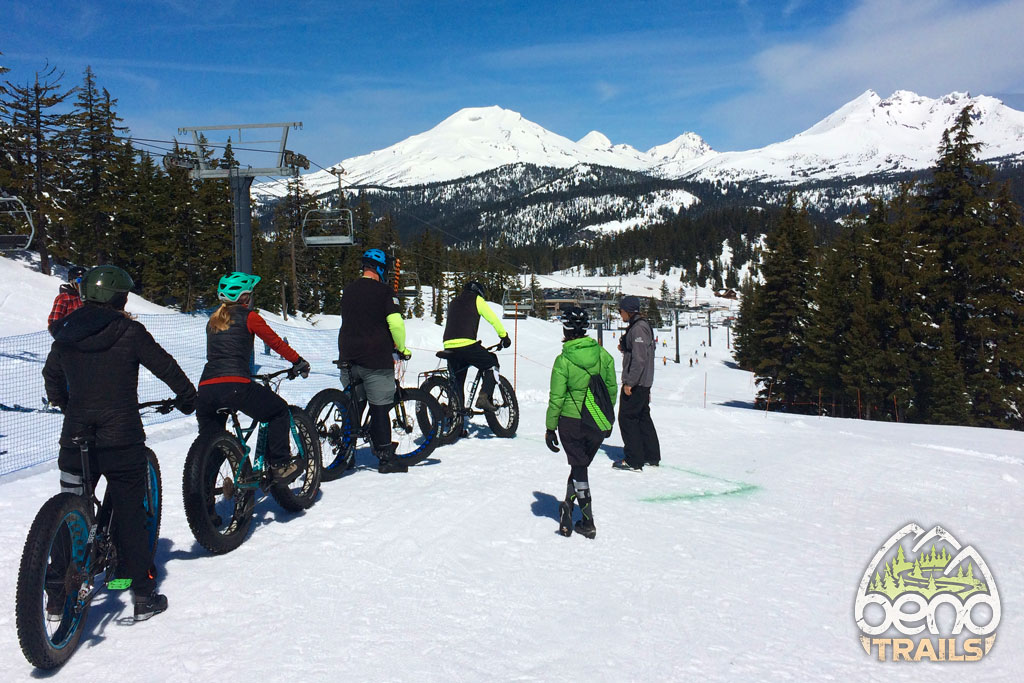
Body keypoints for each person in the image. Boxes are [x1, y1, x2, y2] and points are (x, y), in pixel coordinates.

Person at [43, 265, 196, 621]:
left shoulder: (66, 331)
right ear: (119, 298)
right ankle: (141, 594)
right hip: (122, 438)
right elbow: (166, 366)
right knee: (130, 513)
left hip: (75, 438)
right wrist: (187, 397)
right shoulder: (130, 331)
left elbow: (52, 377)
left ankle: (55, 596)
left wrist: (69, 406)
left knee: (69, 512)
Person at [196, 272, 310, 483]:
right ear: (245, 297)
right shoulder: (250, 317)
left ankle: (204, 496)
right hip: (235, 385)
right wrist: (298, 361)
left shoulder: (212, 320)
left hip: (205, 390)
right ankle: (280, 465)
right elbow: (275, 343)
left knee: (211, 446)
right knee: (278, 411)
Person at [545, 307, 617, 539]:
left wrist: (550, 427)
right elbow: (611, 390)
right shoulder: (603, 355)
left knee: (579, 468)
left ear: (565, 328)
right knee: (580, 466)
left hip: (571, 422)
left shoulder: (563, 360)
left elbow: (556, 398)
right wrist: (603, 415)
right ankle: (567, 503)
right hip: (595, 422)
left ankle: (588, 521)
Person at [338, 249, 411, 473]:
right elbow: (396, 325)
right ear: (380, 269)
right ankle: (385, 457)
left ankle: (346, 454)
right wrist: (402, 347)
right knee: (380, 406)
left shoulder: (348, 290)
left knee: (354, 406)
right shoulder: (384, 291)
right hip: (375, 357)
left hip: (347, 356)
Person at [442, 281, 511, 416]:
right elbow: (493, 319)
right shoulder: (477, 300)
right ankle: (484, 397)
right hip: (466, 344)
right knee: (491, 362)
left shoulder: (453, 302)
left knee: (457, 383)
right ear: (479, 292)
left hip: (448, 345)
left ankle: (456, 423)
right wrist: (504, 336)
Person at [612, 295, 661, 471]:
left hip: (637, 383)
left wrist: (629, 383)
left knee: (627, 418)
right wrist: (625, 347)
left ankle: (634, 459)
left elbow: (640, 359)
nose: (620, 314)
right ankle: (651, 454)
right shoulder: (640, 326)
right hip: (643, 381)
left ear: (628, 311)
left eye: (621, 311)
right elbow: (638, 351)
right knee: (642, 417)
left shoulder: (638, 328)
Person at [47, 265, 86, 337]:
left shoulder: (85, 296)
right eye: (78, 281)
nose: (81, 284)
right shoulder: (64, 298)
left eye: (84, 281)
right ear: (72, 282)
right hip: (70, 339)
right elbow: (54, 323)